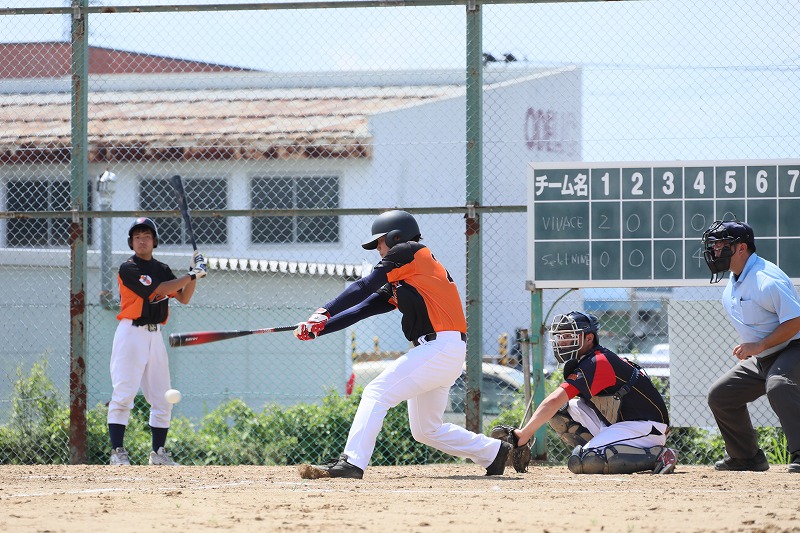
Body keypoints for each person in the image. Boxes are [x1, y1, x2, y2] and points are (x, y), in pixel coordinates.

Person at [294, 210, 512, 479]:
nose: (378, 249)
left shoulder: (409, 251)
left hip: (439, 348)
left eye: (380, 242)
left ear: (396, 237)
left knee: (376, 392)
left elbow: (364, 286)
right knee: (426, 430)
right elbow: (363, 308)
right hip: (440, 351)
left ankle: (352, 462)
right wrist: (318, 328)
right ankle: (493, 452)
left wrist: (323, 311)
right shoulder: (407, 277)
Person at [504, 311, 676, 475]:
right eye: (560, 336)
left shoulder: (598, 361)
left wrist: (523, 435)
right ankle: (603, 448)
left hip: (645, 427)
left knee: (584, 460)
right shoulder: (587, 359)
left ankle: (658, 455)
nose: (562, 341)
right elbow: (557, 404)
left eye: (569, 336)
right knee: (561, 411)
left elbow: (554, 400)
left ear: (589, 338)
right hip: (618, 425)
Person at [107, 217, 207, 466]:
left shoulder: (162, 268)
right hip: (131, 333)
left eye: (147, 236)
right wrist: (191, 274)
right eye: (137, 237)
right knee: (124, 393)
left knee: (163, 396)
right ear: (131, 243)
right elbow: (159, 290)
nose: (142, 240)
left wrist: (194, 274)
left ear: (154, 241)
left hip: (155, 335)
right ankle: (117, 452)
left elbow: (183, 297)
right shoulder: (128, 268)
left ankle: (158, 453)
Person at [702, 219, 800, 473]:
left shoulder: (765, 278)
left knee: (779, 385)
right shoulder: (735, 280)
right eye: (714, 246)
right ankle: (746, 457)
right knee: (721, 395)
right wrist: (757, 346)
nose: (715, 250)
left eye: (722, 245)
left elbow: (795, 321)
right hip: (766, 356)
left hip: (794, 347)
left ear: (741, 248)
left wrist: (758, 345)